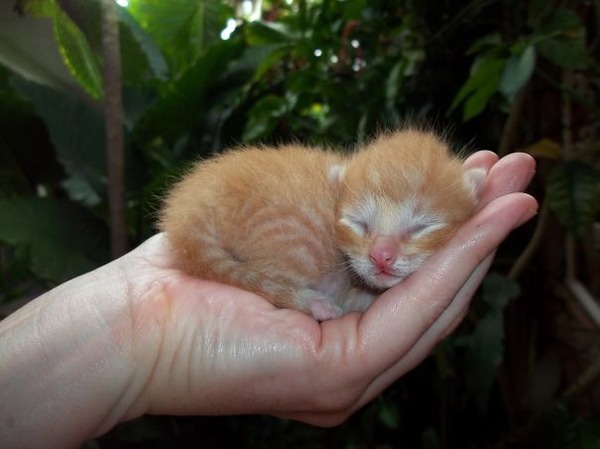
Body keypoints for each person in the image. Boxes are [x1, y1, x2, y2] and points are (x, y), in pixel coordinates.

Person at [0, 150, 537, 448]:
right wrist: (297, 289)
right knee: (310, 240)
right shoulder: (320, 194)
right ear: (340, 185)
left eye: (419, 227)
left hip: (230, 225)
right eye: (361, 224)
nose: (382, 255)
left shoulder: (377, 204)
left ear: (465, 201)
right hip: (233, 222)